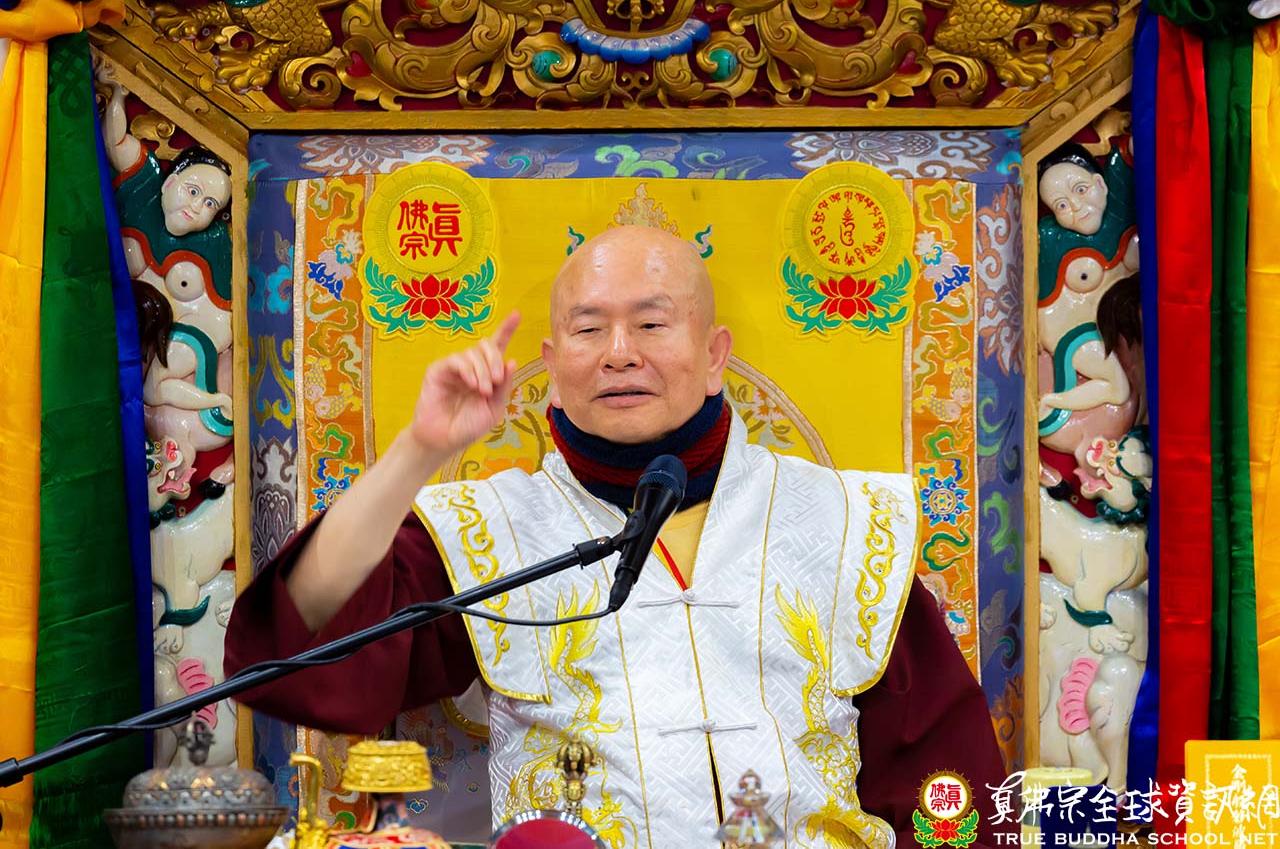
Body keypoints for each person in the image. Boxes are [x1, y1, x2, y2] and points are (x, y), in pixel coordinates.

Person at [226, 226, 1010, 847]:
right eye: (589, 328)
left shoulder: (843, 523)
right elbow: (305, 640)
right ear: (552, 363)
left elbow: (950, 786)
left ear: (714, 356)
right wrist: (419, 449)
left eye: (651, 323)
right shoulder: (490, 529)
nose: (619, 352)